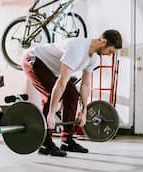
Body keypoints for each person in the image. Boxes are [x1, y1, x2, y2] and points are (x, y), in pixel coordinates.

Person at [22, 29, 123, 157]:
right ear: (103, 41)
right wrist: (52, 113)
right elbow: (61, 83)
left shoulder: (93, 58)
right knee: (50, 95)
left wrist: (84, 111)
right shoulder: (78, 47)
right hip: (34, 60)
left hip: (52, 69)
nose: (109, 55)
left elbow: (85, 85)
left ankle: (67, 140)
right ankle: (45, 142)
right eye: (110, 51)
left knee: (72, 94)